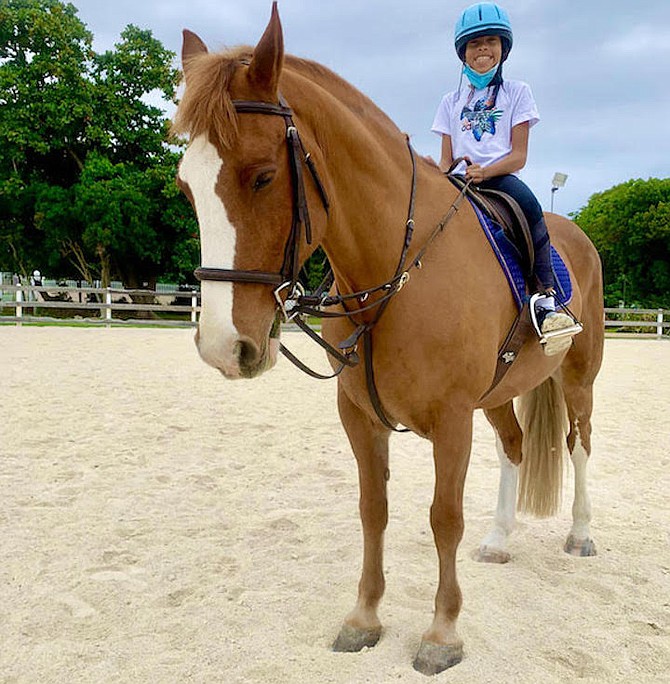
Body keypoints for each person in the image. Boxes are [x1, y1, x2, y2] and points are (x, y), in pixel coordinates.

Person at [432, 2, 576, 355]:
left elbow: (518, 156)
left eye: (491, 41)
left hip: (499, 180)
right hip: (459, 181)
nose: (483, 49)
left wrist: (486, 171)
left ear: (503, 49)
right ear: (463, 53)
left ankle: (545, 299)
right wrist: (443, 176)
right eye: (474, 43)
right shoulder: (450, 102)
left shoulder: (518, 92)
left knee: (529, 207)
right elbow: (445, 159)